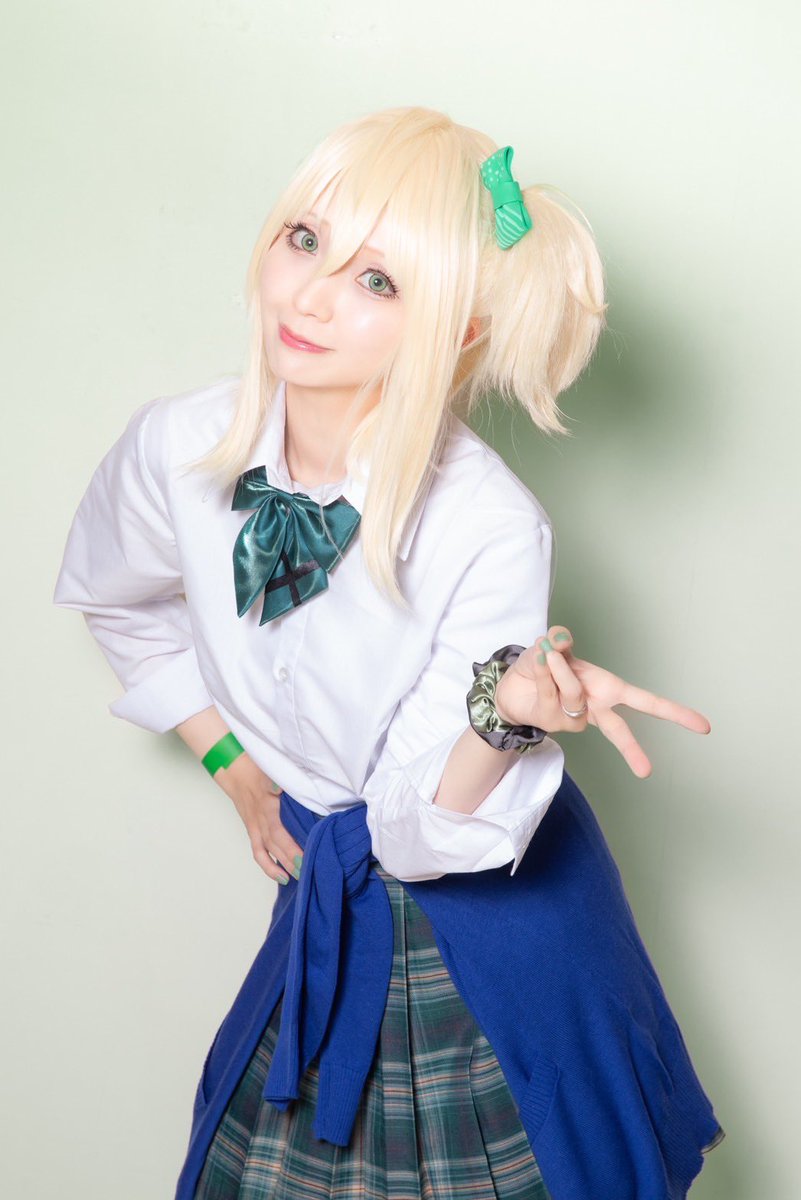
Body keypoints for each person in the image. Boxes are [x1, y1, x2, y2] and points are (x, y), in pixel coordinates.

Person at [52, 105, 725, 1199]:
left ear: (456, 331)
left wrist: (500, 714)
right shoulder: (177, 447)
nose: (310, 297)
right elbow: (117, 601)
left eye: (379, 281)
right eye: (304, 240)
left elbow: (415, 835)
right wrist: (237, 770)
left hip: (496, 923)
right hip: (331, 892)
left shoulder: (487, 523)